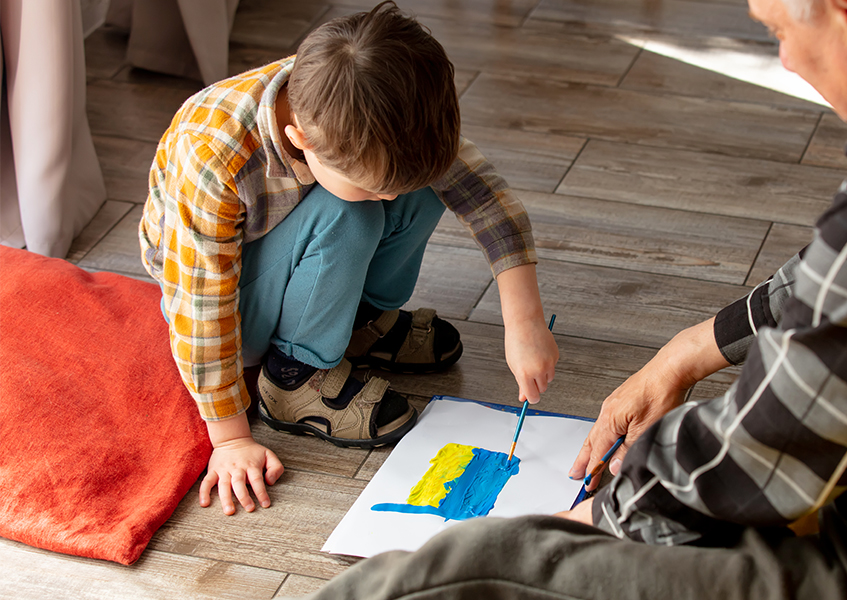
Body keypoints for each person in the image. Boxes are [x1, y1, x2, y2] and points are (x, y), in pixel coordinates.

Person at [285, 0, 847, 598]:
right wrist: (693, 347)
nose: (785, 60)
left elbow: (760, 459)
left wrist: (602, 512)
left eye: (783, 32)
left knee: (467, 571)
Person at [139, 2, 559, 517]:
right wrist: (228, 439)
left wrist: (525, 322)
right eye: (373, 187)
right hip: (229, 305)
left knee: (423, 188)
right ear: (300, 140)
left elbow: (483, 195)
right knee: (351, 215)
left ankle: (354, 323)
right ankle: (292, 375)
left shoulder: (368, 100)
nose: (389, 204)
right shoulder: (212, 154)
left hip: (295, 260)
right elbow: (199, 305)